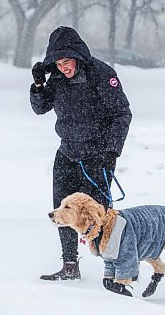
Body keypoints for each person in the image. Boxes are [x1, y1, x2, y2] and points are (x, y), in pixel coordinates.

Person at [30, 26, 132, 281]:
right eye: (58, 63)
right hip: (67, 152)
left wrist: (111, 151)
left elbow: (122, 114)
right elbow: (40, 108)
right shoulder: (56, 78)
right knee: (62, 210)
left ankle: (117, 268)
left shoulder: (102, 74)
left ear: (78, 56)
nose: (63, 68)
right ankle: (69, 265)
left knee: (100, 214)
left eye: (67, 62)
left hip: (97, 155)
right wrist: (38, 84)